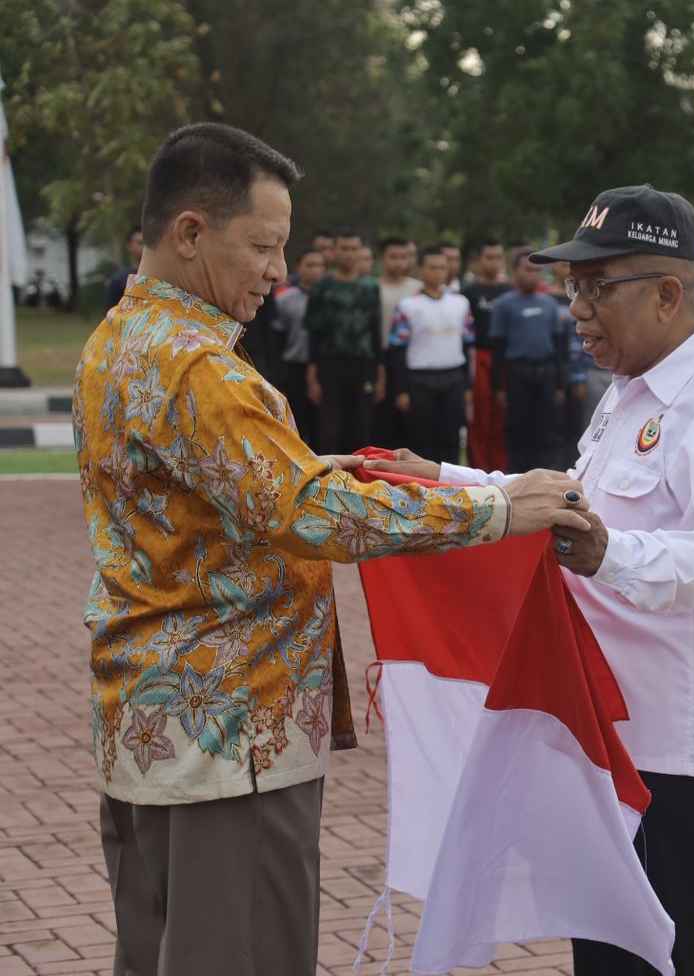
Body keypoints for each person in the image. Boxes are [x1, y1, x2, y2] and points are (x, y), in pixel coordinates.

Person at [74, 121, 591, 976]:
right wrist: (497, 508)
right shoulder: (197, 367)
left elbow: (226, 491)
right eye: (262, 246)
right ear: (191, 232)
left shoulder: (120, 339)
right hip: (231, 734)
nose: (277, 270)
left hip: (154, 721)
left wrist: (304, 468)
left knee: (160, 947)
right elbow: (311, 514)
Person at [375, 185, 694, 976]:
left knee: (688, 953)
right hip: (606, 727)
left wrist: (608, 554)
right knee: (607, 950)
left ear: (667, 294)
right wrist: (444, 478)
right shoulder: (632, 390)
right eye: (573, 287)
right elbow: (565, 496)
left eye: (599, 288)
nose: (578, 310)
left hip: (674, 746)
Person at [389, 244, 474, 464]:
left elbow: (467, 345)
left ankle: (452, 481)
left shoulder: (461, 303)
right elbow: (397, 350)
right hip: (420, 379)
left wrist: (467, 386)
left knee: (451, 438)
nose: (438, 272)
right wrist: (401, 389)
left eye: (442, 267)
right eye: (433, 267)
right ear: (421, 270)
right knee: (422, 439)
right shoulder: (407, 306)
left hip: (453, 377)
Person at [304, 231, 383, 454]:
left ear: (360, 252)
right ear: (334, 251)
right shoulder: (321, 287)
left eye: (353, 249)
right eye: (344, 248)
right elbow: (313, 332)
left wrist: (380, 373)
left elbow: (375, 331)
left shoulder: (371, 287)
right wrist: (312, 375)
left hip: (363, 364)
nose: (349, 254)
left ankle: (359, 473)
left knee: (361, 426)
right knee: (329, 428)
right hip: (329, 364)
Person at [492, 247, 569, 472]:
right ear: (514, 271)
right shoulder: (504, 305)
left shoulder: (549, 304)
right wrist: (498, 386)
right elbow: (498, 349)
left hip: (545, 373)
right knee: (518, 430)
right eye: (527, 269)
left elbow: (559, 346)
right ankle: (517, 477)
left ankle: (546, 475)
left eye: (537, 271)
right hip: (517, 374)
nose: (532, 275)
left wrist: (560, 383)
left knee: (546, 430)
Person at [461, 240, 512, 472]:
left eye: (498, 257)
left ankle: (501, 469)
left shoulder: (509, 291)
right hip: (478, 356)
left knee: (502, 415)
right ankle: (478, 469)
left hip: (505, 357)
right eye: (489, 257)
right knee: (480, 416)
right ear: (479, 261)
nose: (494, 262)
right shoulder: (468, 293)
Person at [374, 237, 423, 450]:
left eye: (403, 257)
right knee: (383, 418)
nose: (399, 262)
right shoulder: (373, 287)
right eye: (393, 257)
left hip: (410, 358)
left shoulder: (418, 288)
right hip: (381, 356)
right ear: (382, 259)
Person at [274, 250, 323, 446]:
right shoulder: (285, 299)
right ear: (298, 268)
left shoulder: (330, 298)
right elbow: (278, 337)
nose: (315, 270)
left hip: (324, 368)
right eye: (310, 265)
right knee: (297, 419)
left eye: (319, 265)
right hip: (294, 364)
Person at [104, 226, 144, 311]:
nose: (144, 247)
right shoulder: (119, 279)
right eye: (140, 243)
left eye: (146, 244)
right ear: (129, 245)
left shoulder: (161, 275)